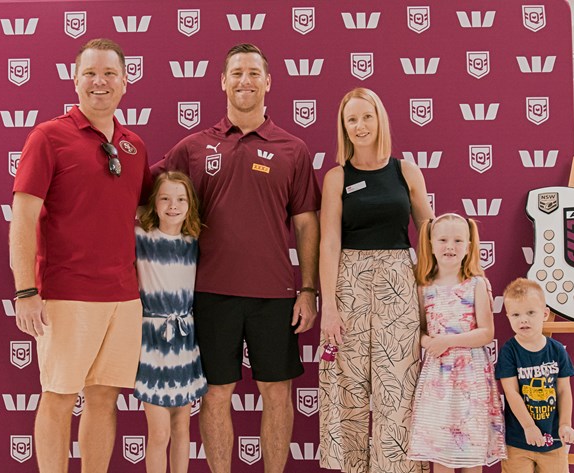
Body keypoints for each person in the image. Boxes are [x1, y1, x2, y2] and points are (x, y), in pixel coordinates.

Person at [152, 43, 320, 473]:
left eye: (253, 73)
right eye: (237, 73)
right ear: (223, 82)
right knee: (214, 394)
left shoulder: (293, 149)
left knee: (277, 393)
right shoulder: (192, 148)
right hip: (208, 293)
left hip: (276, 294)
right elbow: (146, 194)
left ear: (268, 82)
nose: (245, 81)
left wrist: (307, 289)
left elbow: (305, 224)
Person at [10, 38, 152, 473]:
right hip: (66, 294)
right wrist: (25, 291)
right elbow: (22, 218)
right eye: (90, 73)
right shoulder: (49, 136)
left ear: (125, 83)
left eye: (109, 73)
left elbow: (145, 214)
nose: (99, 82)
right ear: (75, 80)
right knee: (58, 396)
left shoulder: (134, 146)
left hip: (125, 297)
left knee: (105, 396)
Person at [318, 87, 433, 473]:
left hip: (399, 282)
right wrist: (328, 307)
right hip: (349, 283)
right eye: (352, 119)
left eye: (366, 116)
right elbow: (330, 242)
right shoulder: (336, 178)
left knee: (397, 387)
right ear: (343, 127)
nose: (360, 125)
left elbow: (428, 233)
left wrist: (432, 298)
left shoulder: (406, 171)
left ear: (380, 118)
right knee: (346, 390)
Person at [408, 213, 506, 471]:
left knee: (471, 451)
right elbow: (417, 329)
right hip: (437, 378)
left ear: (469, 246)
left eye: (457, 240)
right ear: (430, 243)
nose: (449, 246)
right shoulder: (423, 287)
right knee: (440, 452)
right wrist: (428, 341)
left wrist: (448, 341)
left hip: (471, 379)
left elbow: (486, 332)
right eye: (442, 240)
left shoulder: (477, 284)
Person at [134, 171, 208, 473]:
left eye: (181, 199)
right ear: (154, 203)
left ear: (190, 204)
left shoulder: (196, 240)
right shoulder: (141, 237)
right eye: (165, 198)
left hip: (185, 342)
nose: (173, 206)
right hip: (152, 341)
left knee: (181, 429)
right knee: (159, 432)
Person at [496, 278, 574, 473]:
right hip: (518, 440)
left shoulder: (557, 350)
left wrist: (565, 424)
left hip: (553, 442)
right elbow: (512, 393)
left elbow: (564, 390)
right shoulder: (509, 351)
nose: (523, 319)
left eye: (530, 313)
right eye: (516, 314)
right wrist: (529, 426)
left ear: (544, 314)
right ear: (508, 317)